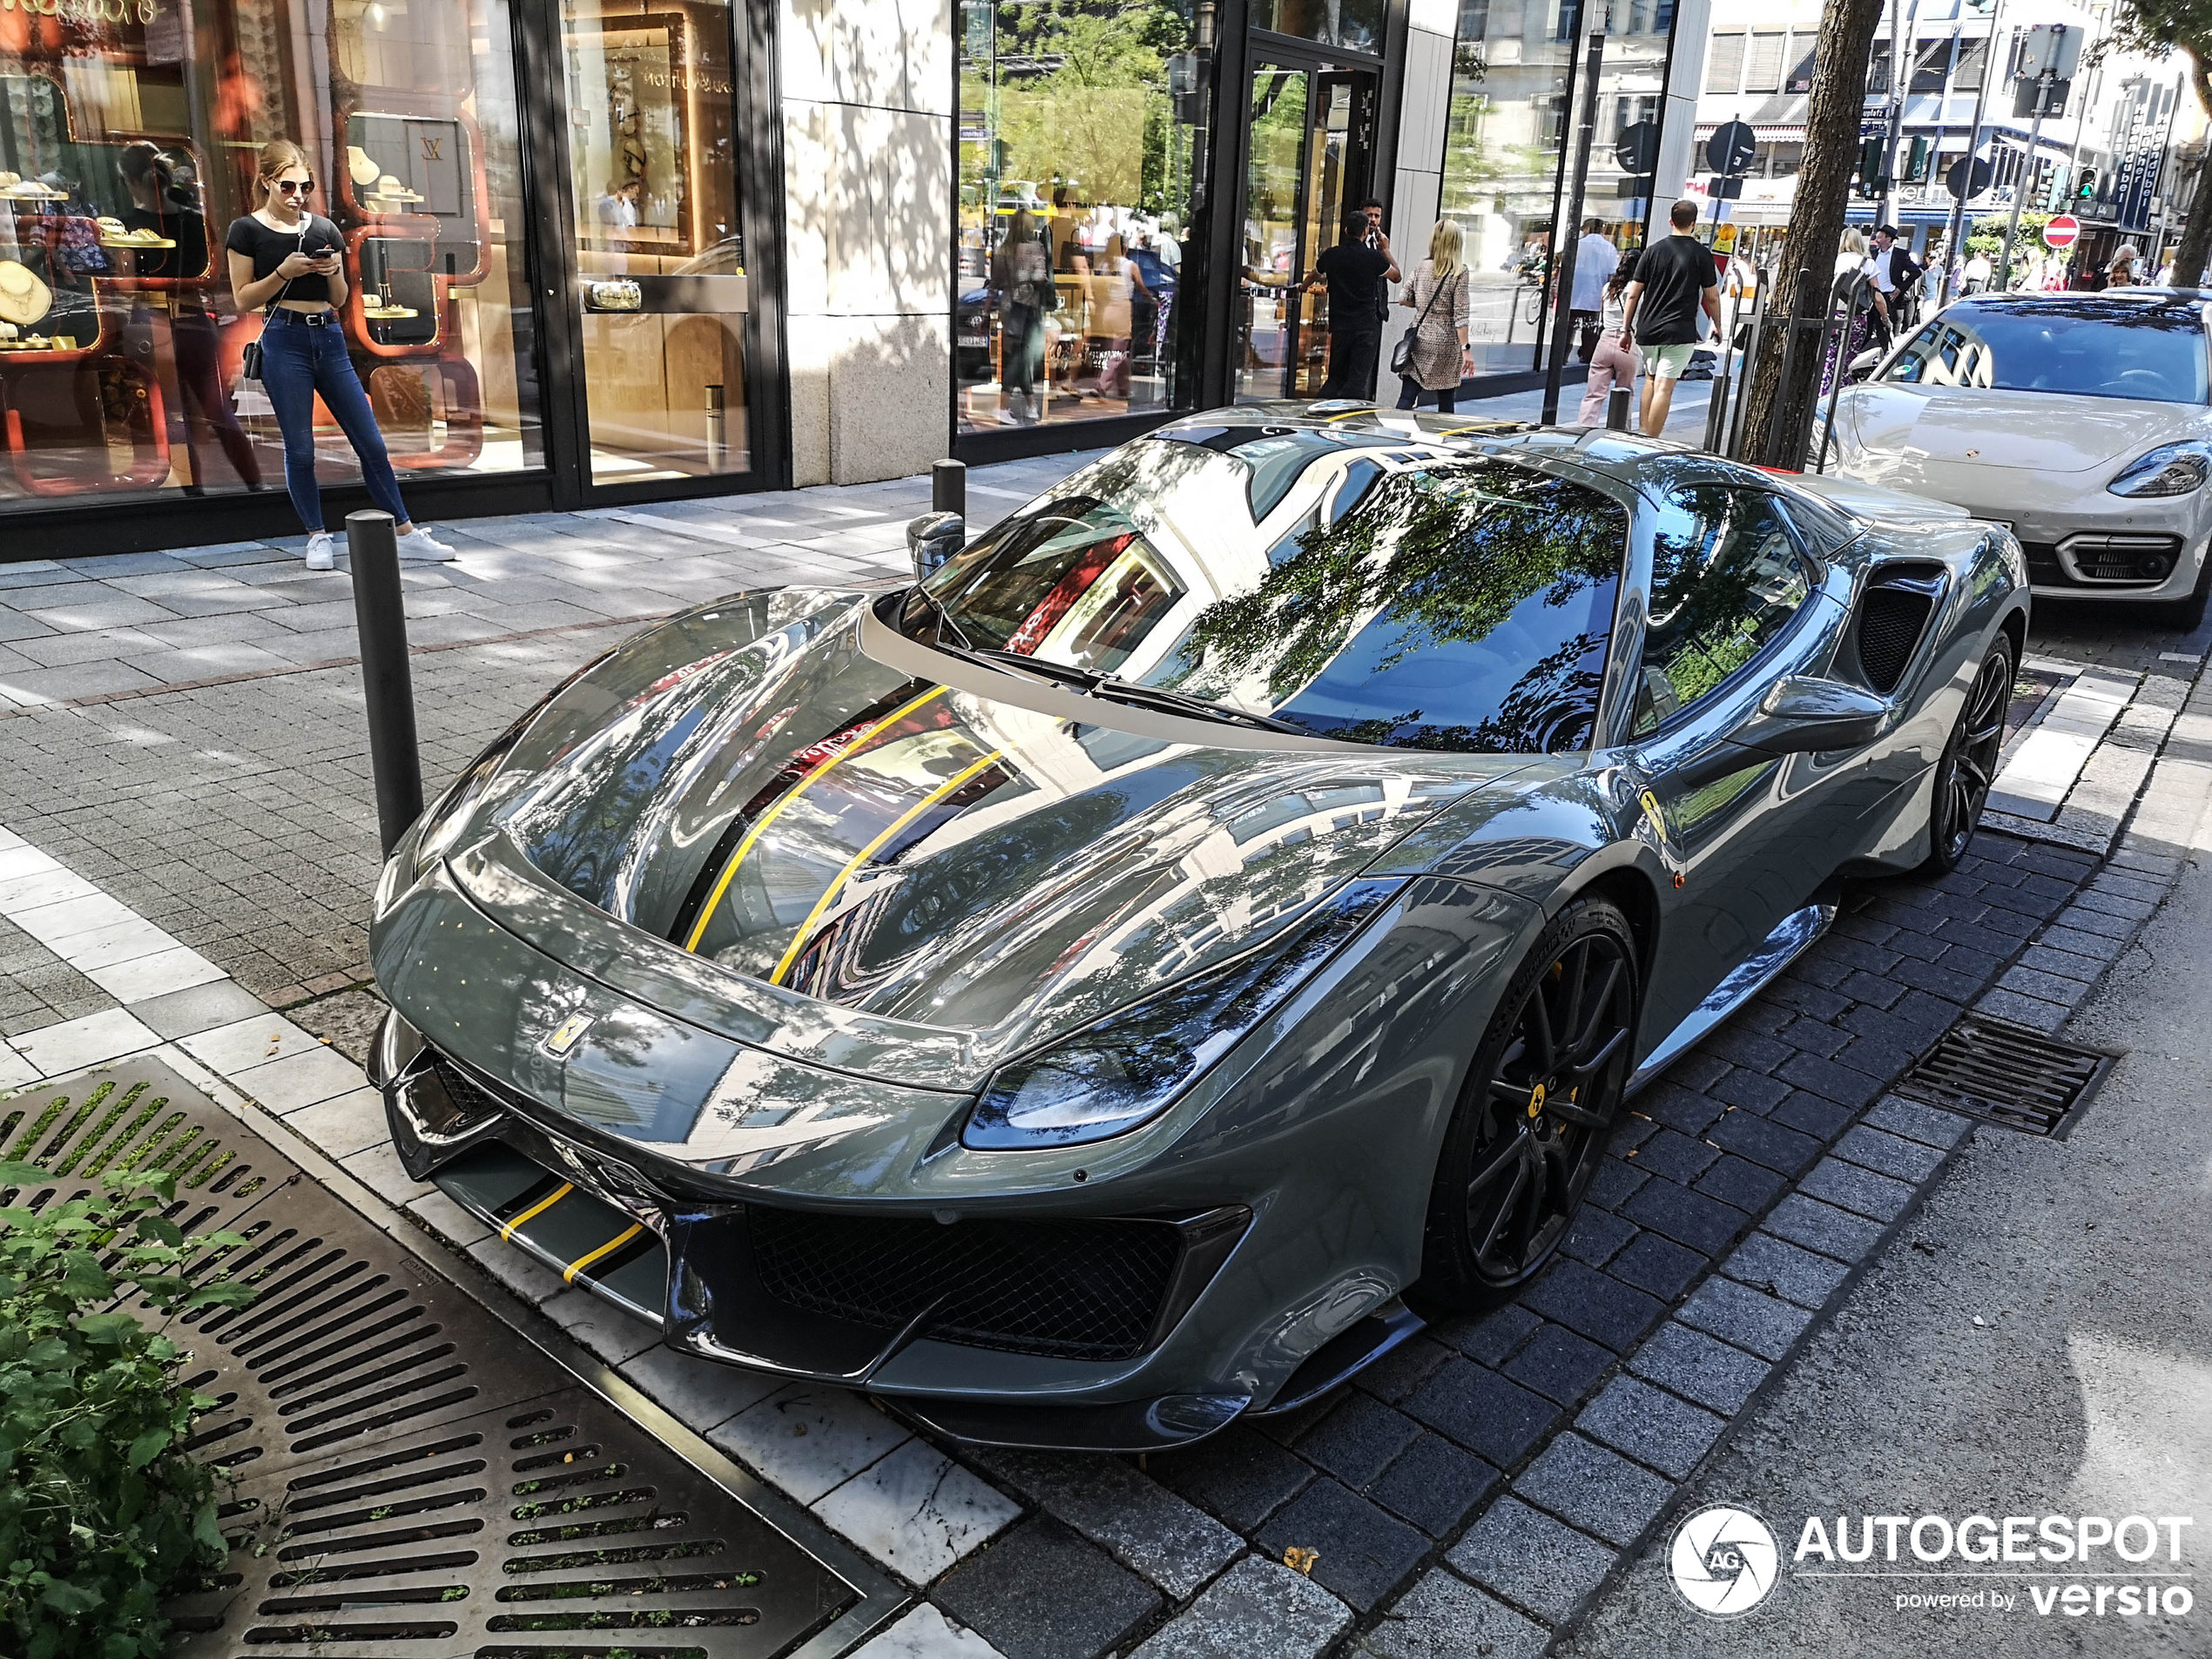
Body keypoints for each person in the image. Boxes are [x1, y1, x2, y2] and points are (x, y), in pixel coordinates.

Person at [225, 140, 455, 571]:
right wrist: (282, 272)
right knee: (301, 449)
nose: (297, 195)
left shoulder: (324, 229)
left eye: (305, 186)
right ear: (267, 183)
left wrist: (331, 273)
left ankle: (405, 532)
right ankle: (316, 536)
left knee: (370, 441)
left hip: (328, 338)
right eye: (288, 186)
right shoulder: (246, 230)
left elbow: (340, 298)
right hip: (284, 340)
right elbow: (242, 299)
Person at [117, 140, 263, 496]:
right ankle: (255, 487)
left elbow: (125, 284)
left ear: (129, 180)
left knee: (173, 415)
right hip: (196, 322)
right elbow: (211, 277)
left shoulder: (125, 225)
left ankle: (193, 495)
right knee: (219, 412)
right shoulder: (195, 221)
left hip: (152, 324)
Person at [1617, 199, 1718, 437]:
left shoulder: (1652, 251)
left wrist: (1625, 329)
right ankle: (1652, 439)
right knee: (1665, 386)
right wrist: (1718, 325)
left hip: (1648, 330)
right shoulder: (1702, 255)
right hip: (1680, 330)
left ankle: (1642, 432)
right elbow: (1712, 296)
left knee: (1650, 380)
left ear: (1671, 221)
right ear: (1694, 224)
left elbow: (1633, 294)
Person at [1305, 212, 1399, 401]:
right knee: (1357, 380)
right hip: (1366, 326)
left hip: (1341, 325)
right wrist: (1385, 250)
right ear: (1365, 231)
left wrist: (1302, 287)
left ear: (1346, 230)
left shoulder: (1332, 254)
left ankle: (1319, 411)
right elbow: (1396, 276)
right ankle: (1352, 418)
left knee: (1336, 377)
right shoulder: (1373, 257)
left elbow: (1314, 275)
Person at [1393, 219, 1473, 413]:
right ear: (1456, 242)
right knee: (1446, 401)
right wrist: (1466, 349)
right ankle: (1443, 439)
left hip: (1420, 336)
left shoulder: (1421, 267)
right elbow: (1460, 315)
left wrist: (1422, 305)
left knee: (1407, 396)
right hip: (1446, 342)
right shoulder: (1459, 271)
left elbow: (1404, 298)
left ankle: (1393, 430)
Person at [990, 208, 1049, 426]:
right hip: (1026, 307)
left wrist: (986, 311)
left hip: (1007, 308)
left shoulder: (1003, 249)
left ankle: (1031, 404)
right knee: (1022, 358)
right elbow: (1039, 277)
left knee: (1018, 356)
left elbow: (994, 285)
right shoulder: (1035, 248)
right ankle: (1003, 405)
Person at [1576, 259, 1639, 427]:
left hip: (1605, 340)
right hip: (1627, 342)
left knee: (1594, 393)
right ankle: (1620, 432)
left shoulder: (1607, 287)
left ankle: (1584, 428)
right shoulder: (1637, 289)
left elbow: (1603, 311)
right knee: (1625, 392)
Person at [1822, 228, 1885, 394]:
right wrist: (1885, 318)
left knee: (1828, 356)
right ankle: (1840, 393)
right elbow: (1877, 296)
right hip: (1854, 317)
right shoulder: (1867, 263)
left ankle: (1822, 391)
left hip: (1831, 314)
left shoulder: (1832, 261)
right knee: (1847, 360)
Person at [1569, 216, 1618, 362]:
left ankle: (1562, 356)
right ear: (1601, 229)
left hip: (1574, 294)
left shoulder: (1577, 245)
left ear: (1587, 229)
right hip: (1596, 295)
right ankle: (1586, 356)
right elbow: (1612, 274)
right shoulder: (1609, 248)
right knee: (1590, 329)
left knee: (1568, 328)